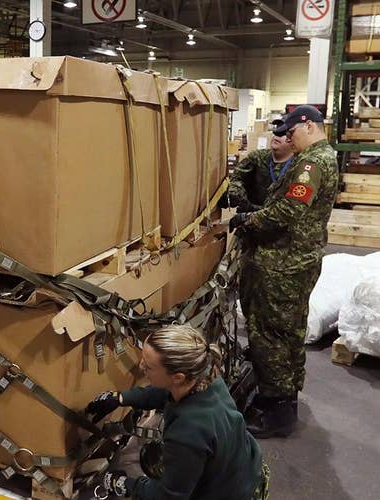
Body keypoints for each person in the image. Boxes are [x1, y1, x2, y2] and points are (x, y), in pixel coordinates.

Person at [229, 105, 338, 438]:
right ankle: (284, 398)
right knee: (289, 332)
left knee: (269, 334)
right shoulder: (326, 157)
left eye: (292, 132)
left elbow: (288, 211)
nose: (288, 138)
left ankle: (275, 410)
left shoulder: (311, 163)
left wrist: (248, 220)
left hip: (281, 262)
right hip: (297, 259)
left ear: (308, 126)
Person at [87, 325, 267, 500]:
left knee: (144, 462)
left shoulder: (188, 432)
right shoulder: (205, 377)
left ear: (178, 377)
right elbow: (164, 391)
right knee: (156, 457)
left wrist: (125, 484)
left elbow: (168, 496)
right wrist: (121, 398)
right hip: (245, 469)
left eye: (149, 367)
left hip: (229, 493)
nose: (141, 366)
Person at [221, 134, 294, 212]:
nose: (277, 136)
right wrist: (235, 193)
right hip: (249, 218)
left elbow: (290, 210)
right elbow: (237, 177)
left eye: (284, 133)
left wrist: (253, 209)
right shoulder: (258, 157)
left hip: (277, 219)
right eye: (277, 131)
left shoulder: (298, 166)